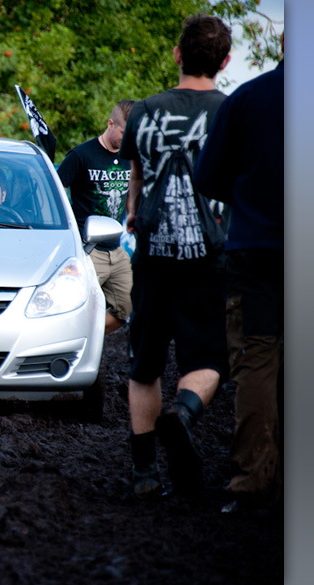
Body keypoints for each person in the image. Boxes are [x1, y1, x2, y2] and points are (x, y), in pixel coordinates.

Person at [118, 13, 232, 499]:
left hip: (152, 256)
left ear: (177, 53)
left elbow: (136, 180)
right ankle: (183, 413)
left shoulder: (143, 110)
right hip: (208, 258)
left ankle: (144, 475)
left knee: (144, 366)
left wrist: (131, 217)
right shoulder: (230, 111)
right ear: (225, 61)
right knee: (208, 359)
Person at [194, 36, 284, 513]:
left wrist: (250, 197)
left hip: (257, 251)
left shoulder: (248, 97)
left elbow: (207, 177)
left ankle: (252, 478)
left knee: (256, 360)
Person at [57, 99, 135, 335]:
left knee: (125, 309)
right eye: (124, 132)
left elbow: (130, 195)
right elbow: (54, 193)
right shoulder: (81, 155)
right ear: (111, 124)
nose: (128, 139)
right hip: (88, 250)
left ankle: (83, 339)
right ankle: (69, 346)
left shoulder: (130, 157)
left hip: (117, 249)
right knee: (72, 308)